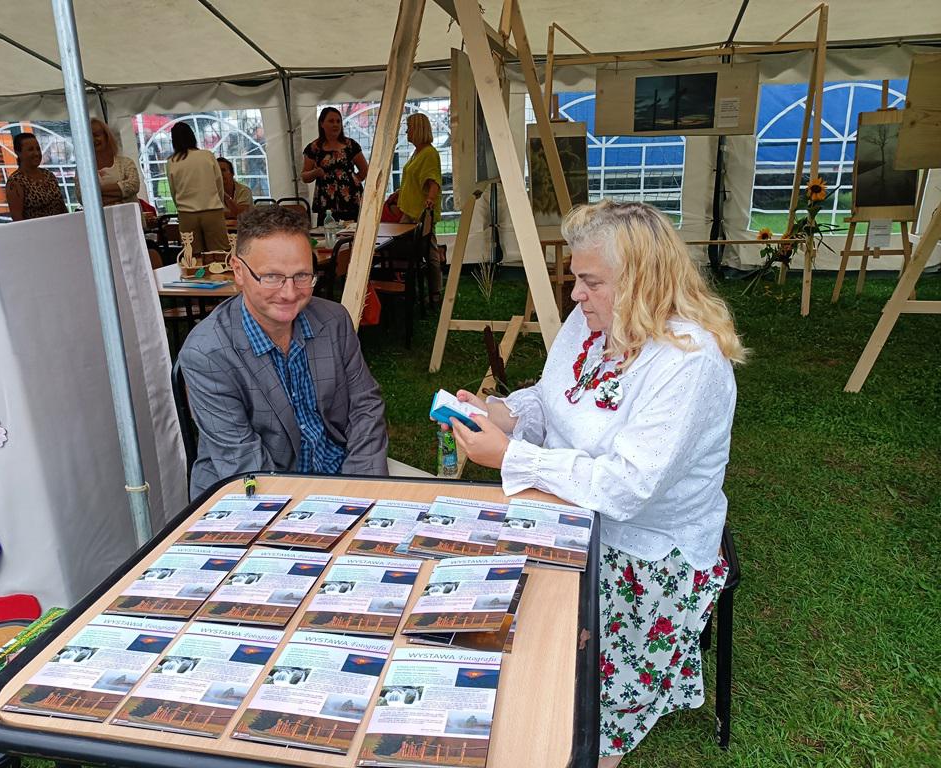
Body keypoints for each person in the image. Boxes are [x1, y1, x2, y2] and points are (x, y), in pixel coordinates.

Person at [444, 201, 746, 767]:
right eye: (576, 278)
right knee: (488, 605)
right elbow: (551, 397)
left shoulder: (689, 361)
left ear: (641, 280)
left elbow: (628, 487)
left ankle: (591, 744)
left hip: (646, 549)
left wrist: (513, 456)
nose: (576, 295)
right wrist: (502, 413)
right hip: (569, 511)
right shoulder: (590, 324)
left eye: (590, 281)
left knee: (580, 689)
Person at [178, 205, 389, 498]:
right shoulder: (208, 352)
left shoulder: (333, 320)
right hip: (257, 491)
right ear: (238, 270)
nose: (289, 293)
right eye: (271, 277)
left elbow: (365, 408)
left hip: (342, 474)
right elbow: (244, 463)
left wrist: (360, 489)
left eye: (302, 276)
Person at [387, 112, 443, 303]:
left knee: (428, 250)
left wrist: (430, 199)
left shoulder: (429, 154)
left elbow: (433, 180)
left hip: (420, 213)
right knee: (408, 248)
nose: (407, 131)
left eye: (409, 128)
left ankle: (434, 292)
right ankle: (408, 286)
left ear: (418, 129)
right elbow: (415, 179)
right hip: (410, 210)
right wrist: (400, 192)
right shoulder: (418, 153)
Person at [165, 121, 230, 252]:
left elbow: (173, 190)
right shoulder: (207, 155)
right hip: (212, 210)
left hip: (186, 214)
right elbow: (219, 183)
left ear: (174, 141)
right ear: (192, 136)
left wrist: (180, 208)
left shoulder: (172, 161)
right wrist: (219, 202)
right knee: (220, 253)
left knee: (192, 256)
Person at [301, 107, 368, 223]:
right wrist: (315, 173)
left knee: (353, 231)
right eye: (331, 121)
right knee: (326, 231)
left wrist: (352, 181)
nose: (335, 124)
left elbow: (365, 170)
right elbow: (304, 176)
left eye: (338, 121)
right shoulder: (314, 148)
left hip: (351, 200)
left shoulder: (351, 145)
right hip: (326, 202)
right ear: (322, 124)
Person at [74, 118, 140, 207]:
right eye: (88, 136)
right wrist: (122, 194)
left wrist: (96, 191)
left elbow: (133, 186)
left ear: (106, 136)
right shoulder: (82, 170)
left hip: (130, 215)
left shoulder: (126, 163)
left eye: (96, 135)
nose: (92, 139)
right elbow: (83, 198)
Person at [5, 132, 67, 221]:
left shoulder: (49, 175)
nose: (36, 153)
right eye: (30, 150)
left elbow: (62, 207)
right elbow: (17, 219)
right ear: (18, 153)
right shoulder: (15, 182)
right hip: (35, 229)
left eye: (38, 149)